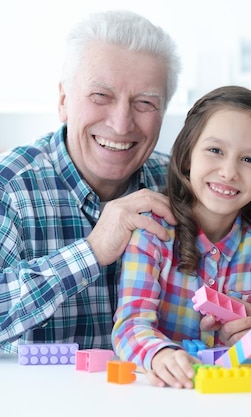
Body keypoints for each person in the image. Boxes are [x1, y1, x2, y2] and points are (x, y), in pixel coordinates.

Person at [112, 86, 251, 389]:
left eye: (249, 160)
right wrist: (160, 355)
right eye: (215, 151)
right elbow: (131, 325)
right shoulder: (152, 233)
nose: (228, 172)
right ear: (187, 156)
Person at [0, 10, 181, 353]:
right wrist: (92, 252)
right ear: (64, 100)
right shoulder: (8, 187)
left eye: (145, 102)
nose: (121, 123)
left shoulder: (178, 186)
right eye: (101, 96)